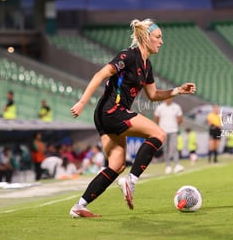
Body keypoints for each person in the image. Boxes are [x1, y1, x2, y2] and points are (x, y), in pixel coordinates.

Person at [69, 18, 196, 218]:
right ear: (146, 38)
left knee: (117, 165)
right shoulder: (128, 56)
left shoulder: (147, 66)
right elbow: (99, 75)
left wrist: (178, 90)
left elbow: (153, 96)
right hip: (111, 110)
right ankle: (132, 181)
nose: (161, 41)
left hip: (108, 114)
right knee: (159, 133)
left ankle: (79, 206)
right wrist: (82, 102)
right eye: (158, 37)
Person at [154, 98, 184, 174]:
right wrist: (160, 127)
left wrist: (174, 125)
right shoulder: (160, 107)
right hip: (164, 131)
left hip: (174, 130)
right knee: (165, 148)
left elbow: (180, 118)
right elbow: (156, 118)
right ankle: (168, 166)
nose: (168, 99)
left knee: (174, 147)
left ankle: (177, 165)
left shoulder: (176, 107)